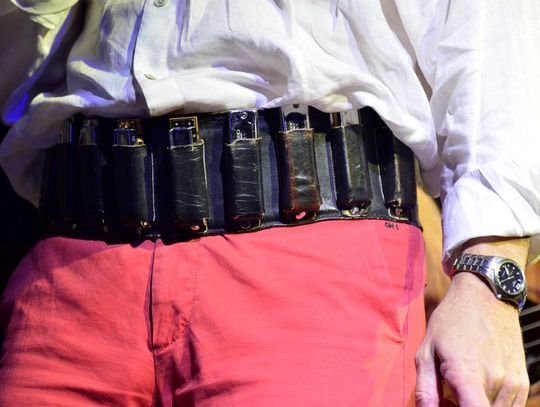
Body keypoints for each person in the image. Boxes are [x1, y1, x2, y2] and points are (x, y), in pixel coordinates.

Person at [0, 1, 539, 406]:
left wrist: (490, 277)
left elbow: (488, 28)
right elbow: (18, 70)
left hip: (308, 264)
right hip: (72, 273)